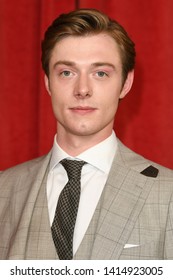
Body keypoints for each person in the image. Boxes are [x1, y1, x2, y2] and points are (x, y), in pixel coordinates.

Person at [0, 8, 173, 260]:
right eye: (66, 73)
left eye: (100, 73)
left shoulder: (167, 193)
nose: (82, 89)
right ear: (48, 82)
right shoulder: (4, 189)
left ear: (125, 83)